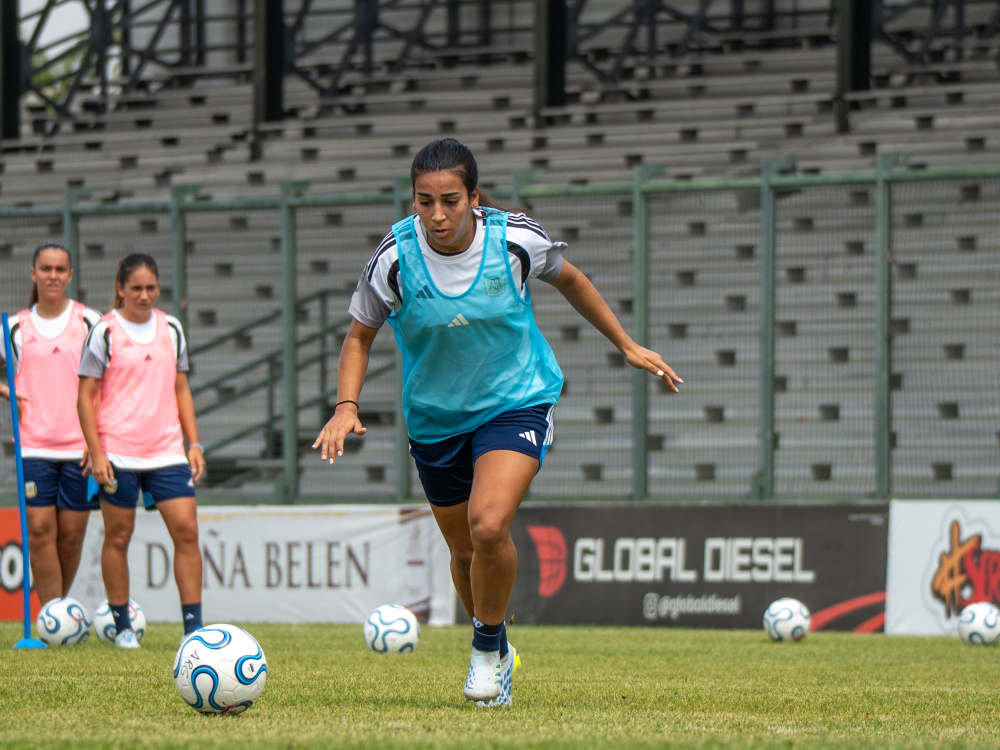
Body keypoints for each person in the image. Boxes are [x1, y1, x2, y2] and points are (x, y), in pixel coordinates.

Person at [313, 138, 681, 706]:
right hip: (436, 419)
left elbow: (573, 280)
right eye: (424, 201)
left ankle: (486, 655)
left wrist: (626, 344)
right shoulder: (394, 256)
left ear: (474, 197)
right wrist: (346, 407)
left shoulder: (514, 238)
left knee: (488, 526)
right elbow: (360, 336)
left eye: (450, 201)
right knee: (463, 552)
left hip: (517, 400)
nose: (436, 215)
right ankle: (497, 640)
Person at [77, 253, 206, 648]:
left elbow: (180, 388)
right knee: (119, 536)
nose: (145, 295)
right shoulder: (104, 331)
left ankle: (193, 630)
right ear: (120, 288)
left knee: (186, 531)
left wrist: (194, 443)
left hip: (166, 451)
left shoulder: (172, 328)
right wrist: (97, 453)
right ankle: (123, 627)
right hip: (118, 452)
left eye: (151, 288)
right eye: (136, 288)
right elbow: (85, 396)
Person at [0, 242, 102, 608]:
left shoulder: (90, 322)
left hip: (81, 448)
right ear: (33, 273)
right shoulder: (13, 327)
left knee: (71, 536)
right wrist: (5, 390)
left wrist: (98, 441)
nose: (53, 276)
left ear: (71, 275)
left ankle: (59, 608)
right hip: (34, 446)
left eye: (60, 269)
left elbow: (107, 382)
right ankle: (52, 618)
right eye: (46, 269)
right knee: (41, 531)